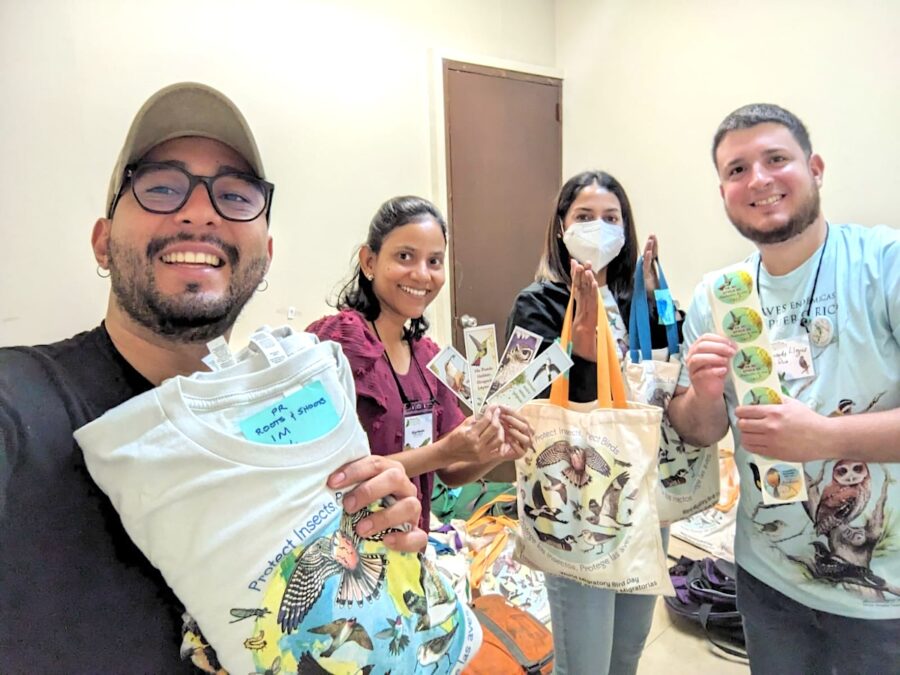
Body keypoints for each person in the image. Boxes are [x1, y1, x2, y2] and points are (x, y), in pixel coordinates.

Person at [0, 83, 426, 672]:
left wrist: (378, 533)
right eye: (161, 187)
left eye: (234, 194)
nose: (200, 211)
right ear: (103, 244)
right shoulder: (19, 407)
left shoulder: (297, 411)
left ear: (266, 255)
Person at [667, 103, 900, 673]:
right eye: (737, 169)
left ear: (815, 167)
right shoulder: (718, 295)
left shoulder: (883, 265)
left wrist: (820, 436)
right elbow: (698, 431)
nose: (759, 180)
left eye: (776, 159)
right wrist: (701, 391)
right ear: (722, 190)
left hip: (884, 602)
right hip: (768, 584)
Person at [506, 170, 678, 675]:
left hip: (645, 495)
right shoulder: (537, 303)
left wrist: (661, 305)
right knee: (584, 662)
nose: (598, 227)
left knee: (627, 650)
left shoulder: (637, 297)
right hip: (575, 506)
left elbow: (666, 385)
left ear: (625, 231)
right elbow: (527, 401)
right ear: (561, 228)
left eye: (611, 218)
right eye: (584, 217)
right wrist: (580, 354)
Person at [307, 195, 533, 531]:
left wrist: (495, 451)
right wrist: (443, 451)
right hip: (346, 550)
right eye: (404, 256)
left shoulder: (429, 358)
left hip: (410, 550)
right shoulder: (338, 342)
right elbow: (329, 475)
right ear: (369, 261)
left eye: (434, 261)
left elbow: (450, 470)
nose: (421, 274)